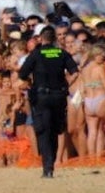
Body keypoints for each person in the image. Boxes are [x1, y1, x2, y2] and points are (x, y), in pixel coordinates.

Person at [17, 25, 79, 178]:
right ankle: (50, 165)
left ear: (41, 38)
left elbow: (22, 75)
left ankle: (48, 168)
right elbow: (75, 73)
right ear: (55, 38)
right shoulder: (62, 53)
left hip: (41, 97)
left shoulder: (36, 54)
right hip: (59, 96)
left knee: (43, 131)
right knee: (55, 131)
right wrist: (65, 86)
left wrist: (30, 84)